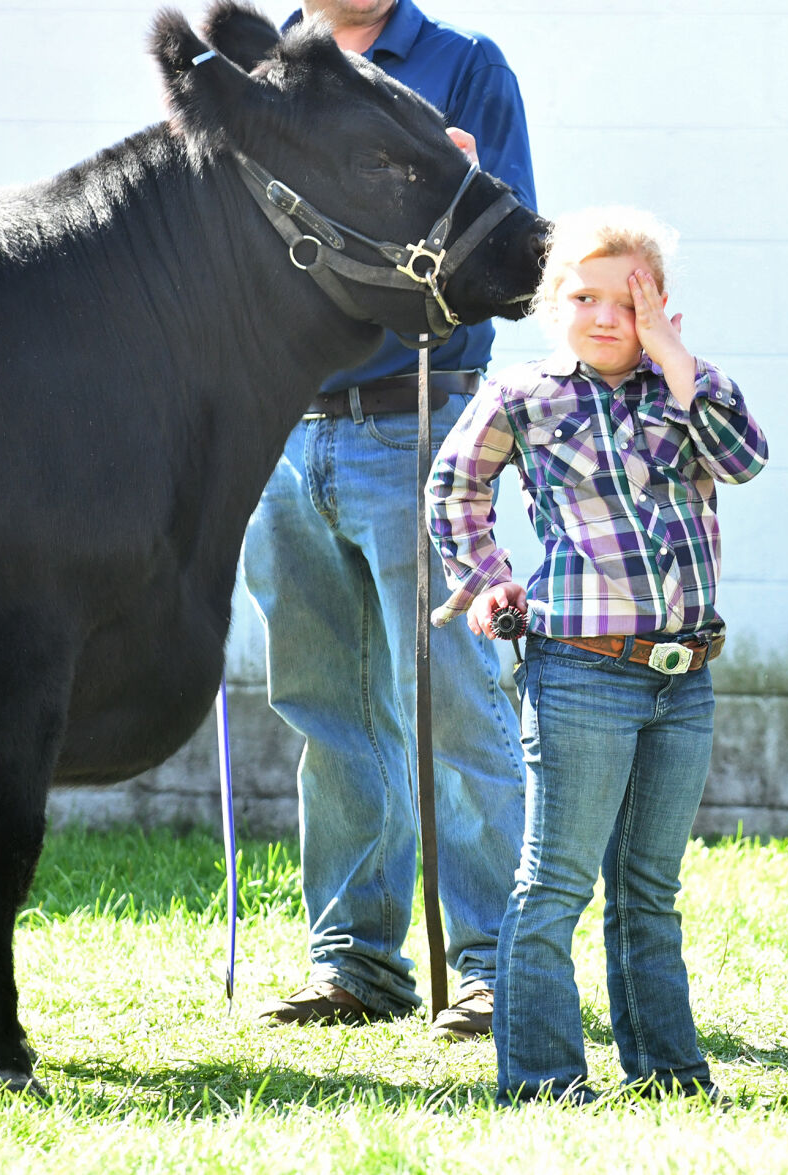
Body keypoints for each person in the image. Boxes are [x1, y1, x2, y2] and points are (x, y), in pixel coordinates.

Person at [427, 208, 767, 1104]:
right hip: (580, 667)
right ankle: (543, 1078)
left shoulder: (690, 392)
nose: (608, 316)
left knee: (650, 887)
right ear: (551, 303)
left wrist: (680, 362)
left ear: (662, 306)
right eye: (585, 296)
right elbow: (454, 487)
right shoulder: (523, 396)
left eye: (632, 300)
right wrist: (491, 577)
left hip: (683, 675)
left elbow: (744, 462)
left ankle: (667, 1072)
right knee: (556, 882)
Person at [244, 0, 535, 1040]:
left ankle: (500, 965)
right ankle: (355, 965)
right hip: (282, 434)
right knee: (326, 705)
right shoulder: (264, 71)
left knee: (454, 702)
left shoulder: (462, 67)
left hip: (417, 424)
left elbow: (511, 260)